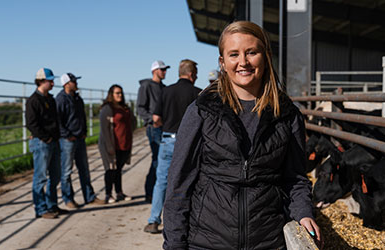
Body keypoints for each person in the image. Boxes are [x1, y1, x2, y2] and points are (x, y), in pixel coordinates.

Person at [163, 21, 321, 249]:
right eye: (234, 54)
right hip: (208, 241)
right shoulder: (202, 110)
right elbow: (179, 185)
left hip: (267, 242)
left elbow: (295, 178)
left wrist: (304, 213)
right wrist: (175, 245)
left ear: (265, 56)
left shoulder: (287, 114)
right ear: (222, 62)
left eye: (251, 52)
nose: (243, 62)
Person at [144, 59, 202, 234]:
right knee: (190, 181)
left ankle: (153, 221)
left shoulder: (166, 91)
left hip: (168, 140)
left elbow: (155, 118)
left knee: (161, 181)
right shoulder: (197, 93)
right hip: (190, 143)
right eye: (196, 75)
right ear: (191, 74)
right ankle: (187, 222)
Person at [56, 73, 106, 209]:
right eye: (73, 81)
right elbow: (58, 121)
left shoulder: (77, 98)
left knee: (84, 169)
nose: (76, 83)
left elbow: (82, 117)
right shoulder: (60, 100)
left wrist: (84, 132)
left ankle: (89, 197)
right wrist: (66, 135)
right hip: (68, 140)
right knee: (66, 171)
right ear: (67, 84)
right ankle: (68, 199)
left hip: (79, 138)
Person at [26, 68, 68, 219]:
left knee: (55, 175)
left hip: (53, 141)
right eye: (49, 81)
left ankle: (52, 205)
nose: (52, 83)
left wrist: (55, 137)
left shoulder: (50, 99)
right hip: (42, 143)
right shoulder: (33, 101)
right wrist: (46, 137)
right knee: (41, 177)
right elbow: (31, 124)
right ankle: (41, 208)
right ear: (41, 81)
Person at [137, 60, 169, 203]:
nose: (164, 72)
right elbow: (140, 108)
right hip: (154, 128)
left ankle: (160, 191)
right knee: (157, 159)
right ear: (155, 70)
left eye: (165, 69)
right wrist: (152, 119)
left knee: (164, 160)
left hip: (164, 127)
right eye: (162, 69)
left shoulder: (164, 88)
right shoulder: (146, 86)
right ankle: (149, 192)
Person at [98, 84, 136, 204]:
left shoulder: (125, 107)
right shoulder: (107, 109)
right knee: (110, 170)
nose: (120, 95)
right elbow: (104, 130)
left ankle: (119, 192)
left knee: (118, 169)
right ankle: (108, 194)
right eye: (117, 93)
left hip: (123, 144)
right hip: (110, 145)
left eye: (121, 93)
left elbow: (133, 122)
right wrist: (109, 147)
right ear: (111, 95)